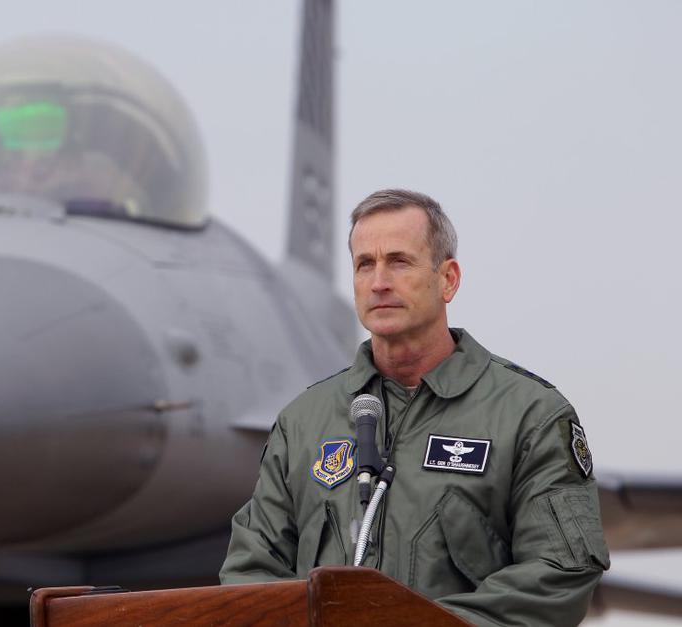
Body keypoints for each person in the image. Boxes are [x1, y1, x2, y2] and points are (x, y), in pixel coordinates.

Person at [219, 189, 609, 626]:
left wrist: (416, 623)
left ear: (448, 279)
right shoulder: (302, 423)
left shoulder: (530, 416)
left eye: (399, 261)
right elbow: (250, 573)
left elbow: (559, 573)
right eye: (365, 264)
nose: (379, 282)